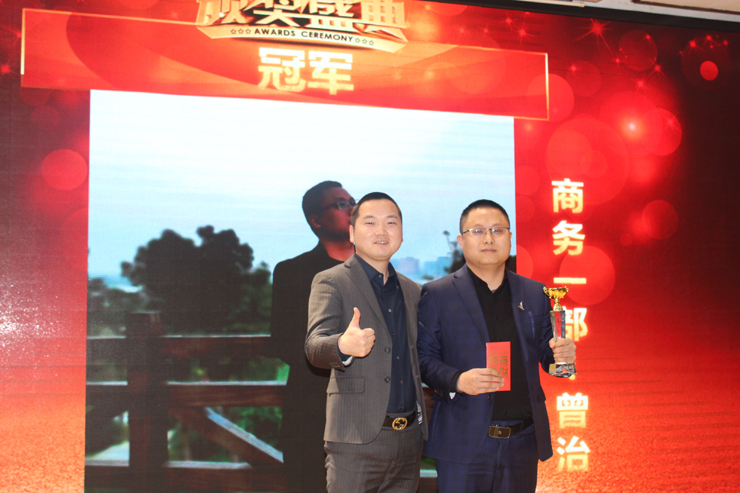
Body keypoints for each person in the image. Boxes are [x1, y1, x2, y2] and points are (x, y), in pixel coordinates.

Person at [417, 199, 577, 493]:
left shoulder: (535, 293)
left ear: (510, 238)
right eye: (478, 231)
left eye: (498, 230)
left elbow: (547, 355)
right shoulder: (438, 294)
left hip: (522, 441)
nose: (489, 238)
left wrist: (561, 358)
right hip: (462, 441)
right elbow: (423, 359)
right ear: (461, 240)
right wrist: (458, 380)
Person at [305, 192, 428, 493]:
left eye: (391, 223)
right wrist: (342, 346)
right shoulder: (331, 280)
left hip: (409, 440)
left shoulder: (413, 291)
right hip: (355, 441)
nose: (382, 231)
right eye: (370, 222)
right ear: (352, 233)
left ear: (401, 233)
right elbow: (314, 347)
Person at [270, 181, 356, 492]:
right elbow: (284, 342)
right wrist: (342, 351)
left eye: (353, 201)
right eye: (341, 204)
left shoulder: (381, 270)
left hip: (374, 419)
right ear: (316, 220)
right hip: (312, 415)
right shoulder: (292, 272)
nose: (352, 209)